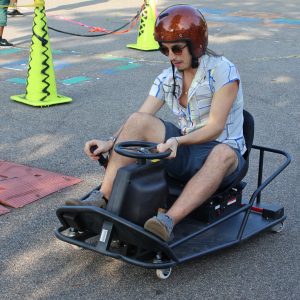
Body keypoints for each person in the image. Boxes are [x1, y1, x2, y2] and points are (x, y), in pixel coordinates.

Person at [66, 4, 246, 242]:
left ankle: (167, 221)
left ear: (196, 44)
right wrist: (110, 142)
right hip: (183, 149)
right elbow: (139, 117)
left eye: (177, 49)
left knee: (222, 152)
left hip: (223, 152)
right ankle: (101, 198)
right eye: (165, 50)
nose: (172, 56)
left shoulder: (223, 70)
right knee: (138, 121)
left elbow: (215, 127)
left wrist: (177, 140)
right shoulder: (167, 77)